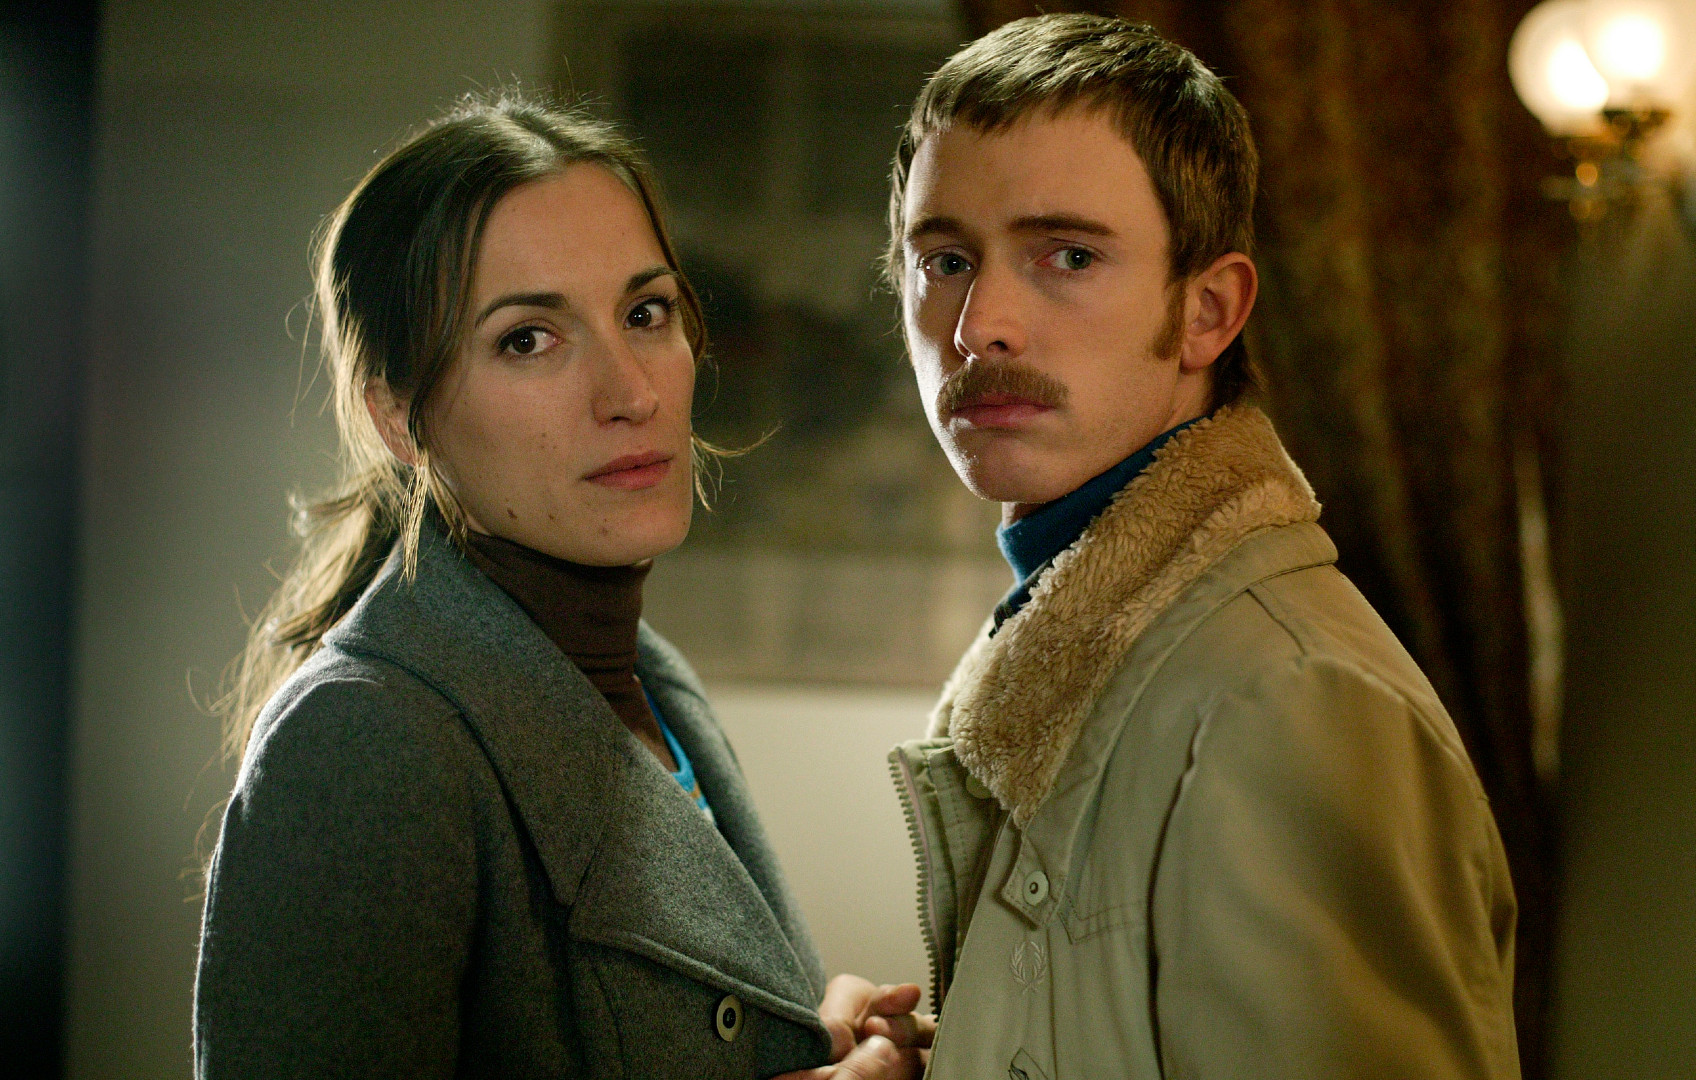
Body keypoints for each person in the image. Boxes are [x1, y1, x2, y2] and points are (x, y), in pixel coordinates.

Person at [195, 94, 928, 1079]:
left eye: (645, 314)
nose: (631, 392)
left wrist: (812, 1033)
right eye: (528, 339)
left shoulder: (653, 682)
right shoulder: (364, 741)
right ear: (399, 419)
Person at [884, 15, 1522, 1079]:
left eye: (1068, 256)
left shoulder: (1290, 695)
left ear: (1208, 311)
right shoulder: (1080, 631)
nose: (979, 324)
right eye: (945, 260)